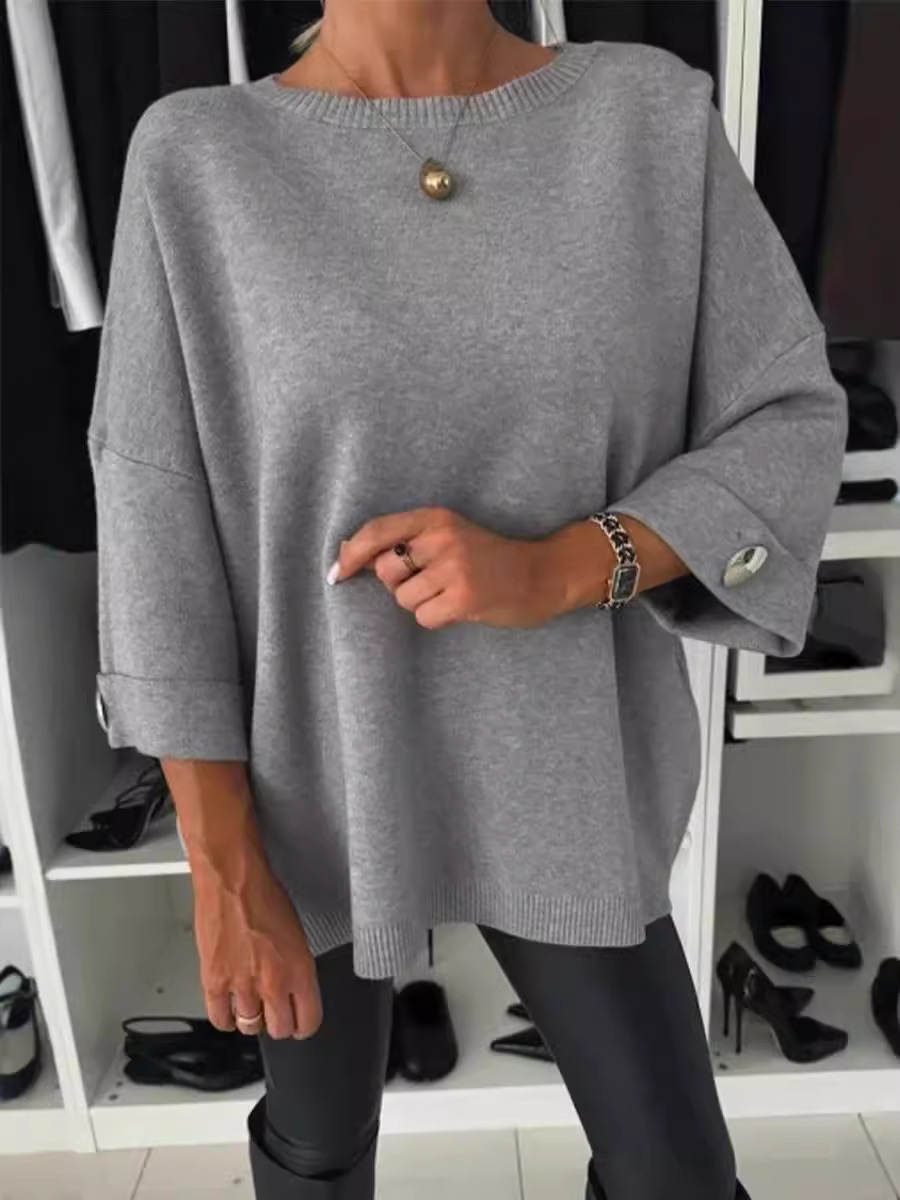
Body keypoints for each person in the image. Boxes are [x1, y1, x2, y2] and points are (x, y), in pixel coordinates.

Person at [87, 2, 847, 1197]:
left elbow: (788, 421)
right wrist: (221, 862)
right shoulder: (199, 159)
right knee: (318, 1151)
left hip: (571, 770)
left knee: (680, 1174)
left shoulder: (646, 119)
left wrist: (561, 565)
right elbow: (153, 518)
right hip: (311, 785)